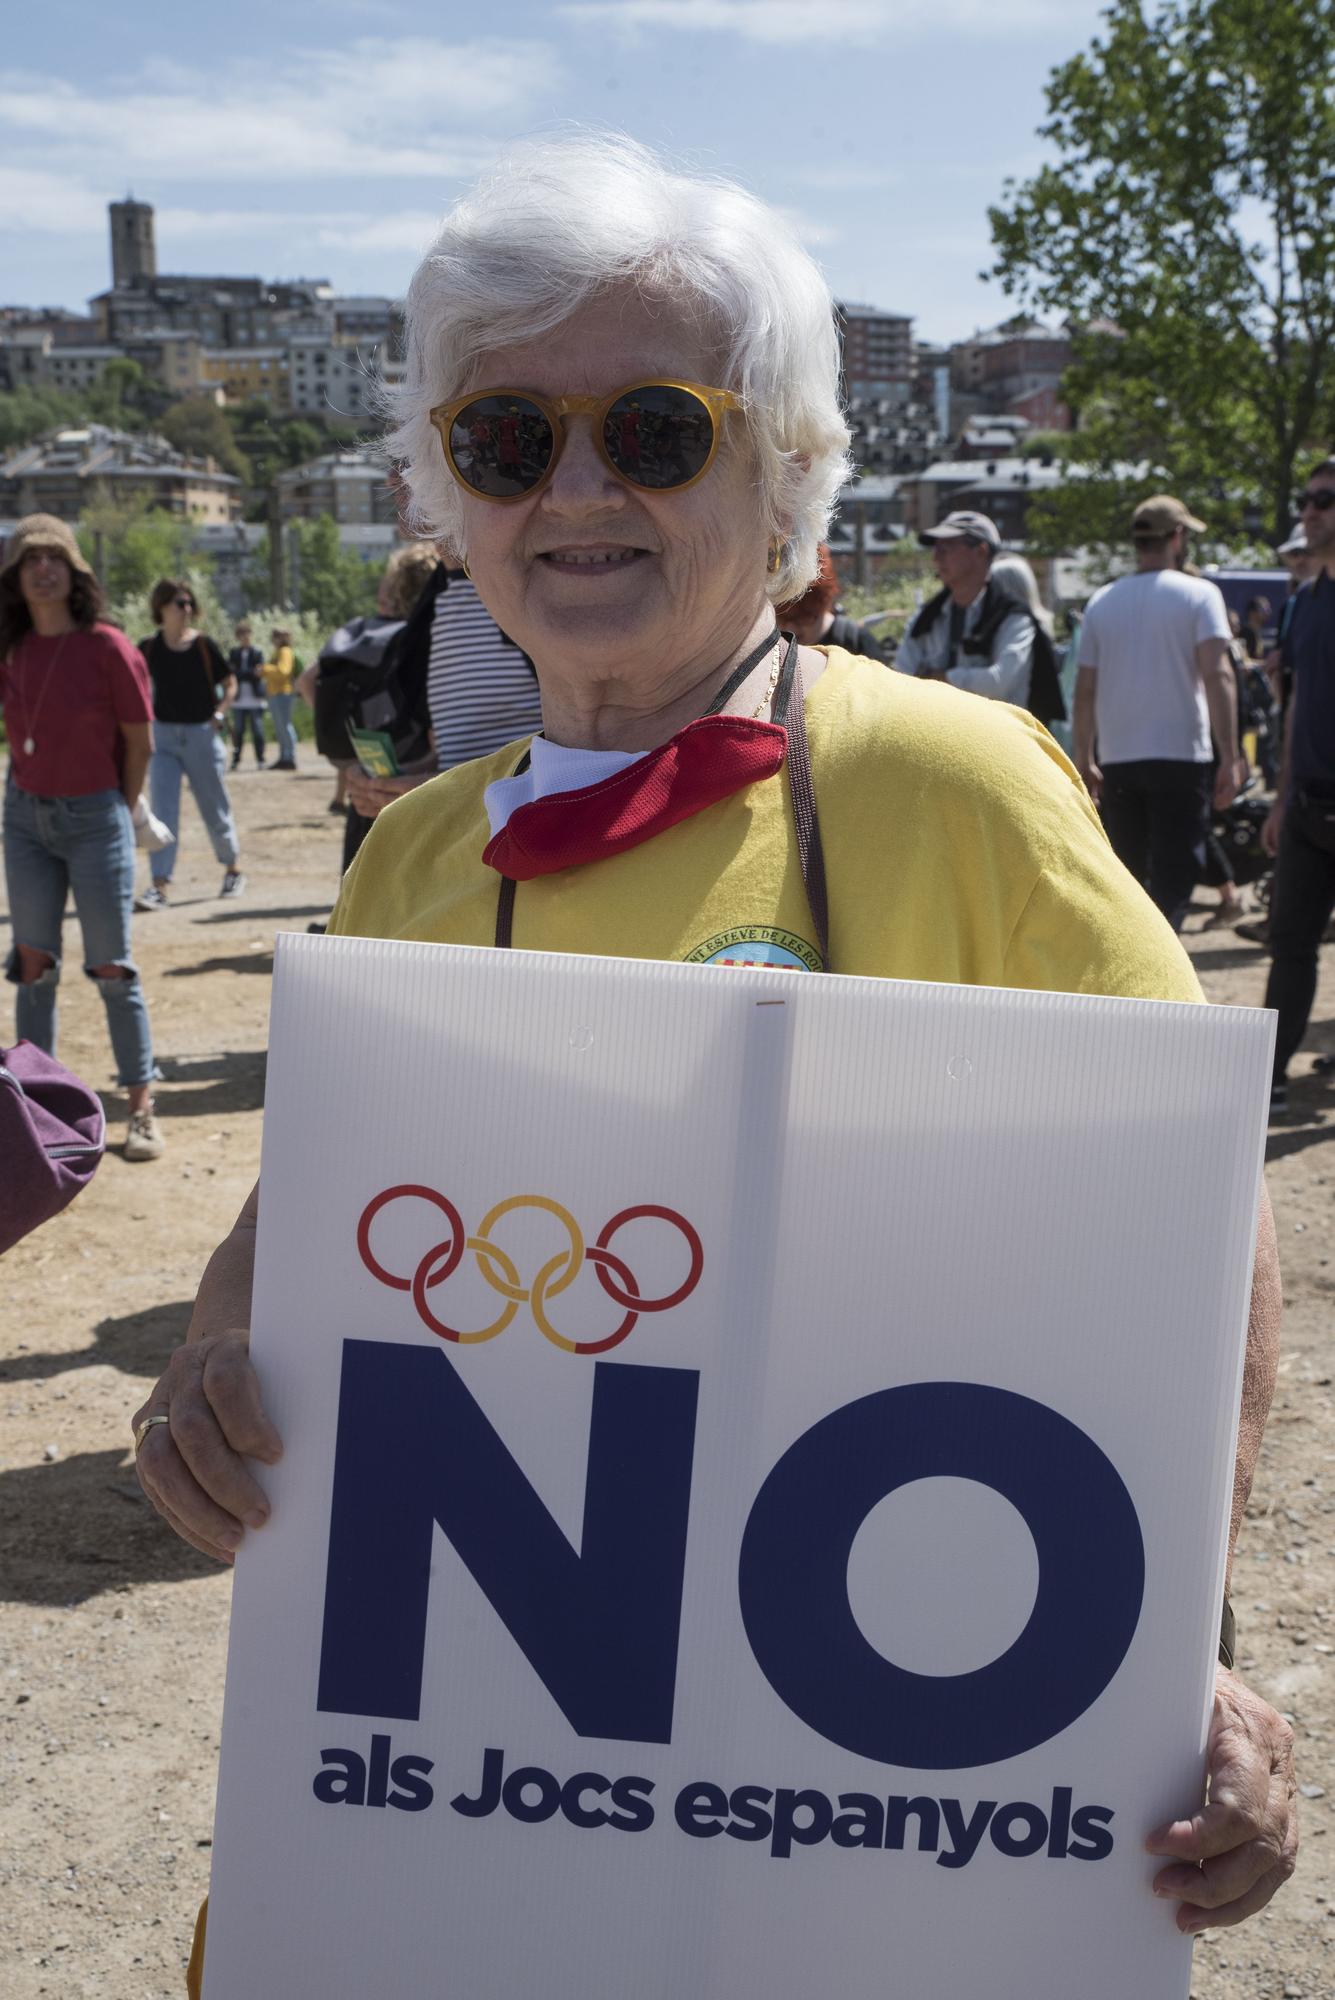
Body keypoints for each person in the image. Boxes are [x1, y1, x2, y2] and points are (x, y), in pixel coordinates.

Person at [130, 139, 1293, 1982]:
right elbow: (311, 1227)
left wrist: (1170, 1659)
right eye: (509, 441)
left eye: (656, 431)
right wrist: (206, 1372)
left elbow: (1198, 1217)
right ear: (451, 492)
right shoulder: (426, 846)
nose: (578, 489)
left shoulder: (952, 786)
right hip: (491, 1794)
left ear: (789, 479)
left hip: (840, 1772)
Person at [0, 515, 164, 1160]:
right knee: (32, 966)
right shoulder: (12, 649)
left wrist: (114, 812)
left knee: (111, 968)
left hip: (97, 818)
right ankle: (33, 1111)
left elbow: (140, 740)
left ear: (75, 574)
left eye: (55, 559)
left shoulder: (108, 646)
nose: (43, 569)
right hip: (24, 818)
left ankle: (142, 1109)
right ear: (15, 577)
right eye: (30, 560)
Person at [1073, 497, 1245, 932]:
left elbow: (1085, 689)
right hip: (1180, 755)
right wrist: (1230, 754)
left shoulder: (1102, 601)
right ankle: (1160, 969)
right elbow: (1217, 675)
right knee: (1175, 873)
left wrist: (1083, 757)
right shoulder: (1200, 594)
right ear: (1177, 537)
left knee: (1129, 873)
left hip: (1119, 758)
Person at [1260, 457, 1335, 1115]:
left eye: (1322, 500)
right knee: (1289, 943)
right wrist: (1280, 798)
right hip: (1306, 803)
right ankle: (1271, 1076)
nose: (1307, 511)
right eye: (1306, 498)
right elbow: (1294, 707)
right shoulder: (1303, 604)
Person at [893, 512, 1065, 724]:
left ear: (981, 551)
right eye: (936, 548)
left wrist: (941, 677)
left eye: (946, 548)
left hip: (998, 744)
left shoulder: (1013, 616)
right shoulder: (927, 618)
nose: (936, 557)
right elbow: (899, 678)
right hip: (937, 740)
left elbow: (999, 683)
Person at [138, 580, 245, 907]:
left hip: (201, 734)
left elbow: (230, 683)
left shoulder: (203, 645)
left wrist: (219, 714)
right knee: (162, 812)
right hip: (164, 738)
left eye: (188, 604)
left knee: (214, 807)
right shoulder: (148, 648)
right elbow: (134, 687)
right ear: (161, 608)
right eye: (178, 603)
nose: (185, 609)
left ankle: (232, 870)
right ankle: (159, 885)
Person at [775, 543, 887, 659]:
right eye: (781, 620)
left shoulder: (856, 642)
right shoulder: (772, 651)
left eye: (801, 620)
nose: (791, 629)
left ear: (823, 604)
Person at [226, 620, 267, 769]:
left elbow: (259, 672)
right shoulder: (233, 653)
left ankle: (261, 759)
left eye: (247, 633)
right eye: (242, 634)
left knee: (258, 730)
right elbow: (231, 673)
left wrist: (241, 673)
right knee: (238, 731)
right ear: (238, 636)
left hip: (255, 698)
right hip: (238, 699)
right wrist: (248, 672)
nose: (245, 637)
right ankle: (236, 760)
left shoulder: (258, 652)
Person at [263, 627, 301, 770]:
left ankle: (289, 757)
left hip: (283, 693)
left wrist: (265, 669)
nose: (273, 638)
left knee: (285, 726)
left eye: (276, 636)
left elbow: (283, 671)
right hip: (276, 693)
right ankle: (284, 757)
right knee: (280, 728)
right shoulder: (277, 652)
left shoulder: (285, 651)